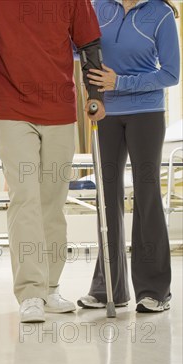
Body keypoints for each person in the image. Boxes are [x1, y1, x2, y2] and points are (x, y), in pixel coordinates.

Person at [0, 0, 106, 322]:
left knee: (52, 202)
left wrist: (95, 95)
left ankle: (51, 286)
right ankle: (30, 293)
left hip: (60, 110)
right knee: (25, 198)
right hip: (11, 108)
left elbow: (89, 44)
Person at [78, 0, 180, 313]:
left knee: (147, 194)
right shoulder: (97, 8)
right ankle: (108, 287)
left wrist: (121, 82)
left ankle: (155, 290)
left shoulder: (160, 13)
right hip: (106, 112)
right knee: (107, 197)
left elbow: (171, 74)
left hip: (146, 112)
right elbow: (79, 47)